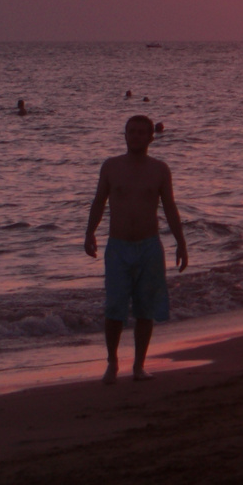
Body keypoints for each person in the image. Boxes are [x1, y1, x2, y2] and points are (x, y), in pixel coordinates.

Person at [84, 114, 187, 383]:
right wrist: (89, 234)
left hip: (149, 247)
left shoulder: (160, 169)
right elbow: (98, 202)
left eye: (143, 132)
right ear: (125, 135)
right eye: (132, 132)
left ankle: (139, 365)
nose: (137, 136)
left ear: (152, 137)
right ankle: (112, 363)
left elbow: (171, 208)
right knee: (114, 307)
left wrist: (181, 243)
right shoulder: (111, 167)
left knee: (145, 309)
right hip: (118, 247)